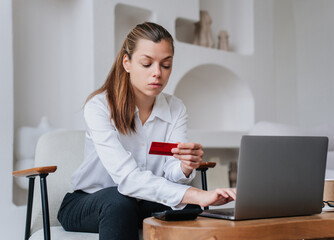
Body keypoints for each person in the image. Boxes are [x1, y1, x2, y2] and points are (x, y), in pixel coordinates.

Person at [57, 22, 235, 240]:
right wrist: (197, 194)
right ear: (127, 62)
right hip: (89, 202)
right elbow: (128, 179)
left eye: (166, 65)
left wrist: (185, 167)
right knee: (119, 202)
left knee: (187, 209)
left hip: (139, 202)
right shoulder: (99, 107)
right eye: (147, 64)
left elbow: (172, 172)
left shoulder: (175, 108)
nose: (157, 73)